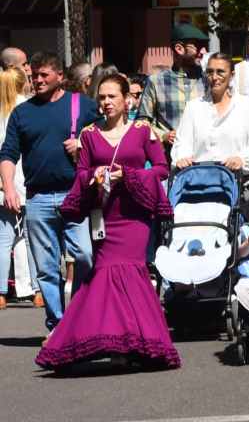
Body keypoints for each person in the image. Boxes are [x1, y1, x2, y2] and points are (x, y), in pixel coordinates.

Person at [35, 74, 179, 371]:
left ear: (127, 100)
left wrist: (129, 175)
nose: (106, 102)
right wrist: (95, 176)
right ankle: (107, 339)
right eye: (101, 97)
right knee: (103, 272)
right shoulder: (88, 134)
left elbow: (162, 169)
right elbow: (81, 173)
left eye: (112, 96)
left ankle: (138, 342)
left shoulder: (143, 131)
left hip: (135, 215)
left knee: (131, 272)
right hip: (104, 215)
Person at [0, 53, 100, 335]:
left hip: (75, 193)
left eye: (44, 75)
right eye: (34, 75)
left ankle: (79, 315)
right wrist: (9, 188)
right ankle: (58, 325)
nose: (37, 81)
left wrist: (83, 143)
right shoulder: (23, 112)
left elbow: (106, 138)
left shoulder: (83, 105)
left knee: (84, 256)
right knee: (46, 268)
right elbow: (7, 154)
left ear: (60, 76)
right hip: (38, 198)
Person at [172, 54, 249, 176]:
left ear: (232, 75)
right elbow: (182, 142)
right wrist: (182, 158)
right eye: (210, 72)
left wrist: (242, 160)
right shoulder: (193, 107)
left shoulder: (247, 106)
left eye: (220, 72)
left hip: (235, 182)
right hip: (198, 182)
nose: (214, 77)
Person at [138, 23, 209, 153]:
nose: (203, 52)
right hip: (169, 158)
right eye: (198, 46)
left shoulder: (208, 80)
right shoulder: (156, 82)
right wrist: (163, 136)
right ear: (179, 48)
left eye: (205, 46)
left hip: (204, 157)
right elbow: (142, 122)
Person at [0, 67, 32, 309]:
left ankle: (1, 292)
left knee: (3, 239)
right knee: (28, 238)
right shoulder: (29, 108)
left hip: (3, 180)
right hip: (27, 179)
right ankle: (32, 288)